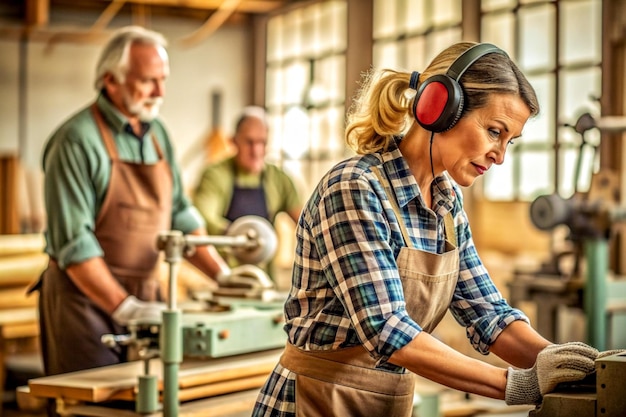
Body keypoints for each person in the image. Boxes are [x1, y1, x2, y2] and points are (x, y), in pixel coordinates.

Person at [252, 42, 614, 416]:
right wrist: (517, 384)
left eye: (509, 141)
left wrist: (576, 367)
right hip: (314, 402)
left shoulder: (446, 204)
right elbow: (388, 330)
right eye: (494, 131)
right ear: (441, 109)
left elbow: (486, 312)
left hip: (385, 403)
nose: (500, 155)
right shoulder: (355, 188)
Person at [36, 26, 238, 379]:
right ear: (111, 80)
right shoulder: (75, 141)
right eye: (148, 81)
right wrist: (125, 307)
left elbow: (179, 214)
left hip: (147, 294)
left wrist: (223, 276)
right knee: (94, 404)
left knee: (151, 398)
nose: (160, 92)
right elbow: (74, 244)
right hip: (83, 300)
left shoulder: (157, 134)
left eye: (163, 79)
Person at [192, 106, 302, 273]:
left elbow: (305, 224)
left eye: (262, 143)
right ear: (233, 141)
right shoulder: (215, 175)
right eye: (249, 142)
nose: (256, 151)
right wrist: (240, 236)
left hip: (265, 277)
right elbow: (203, 216)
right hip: (223, 274)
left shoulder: (280, 179)